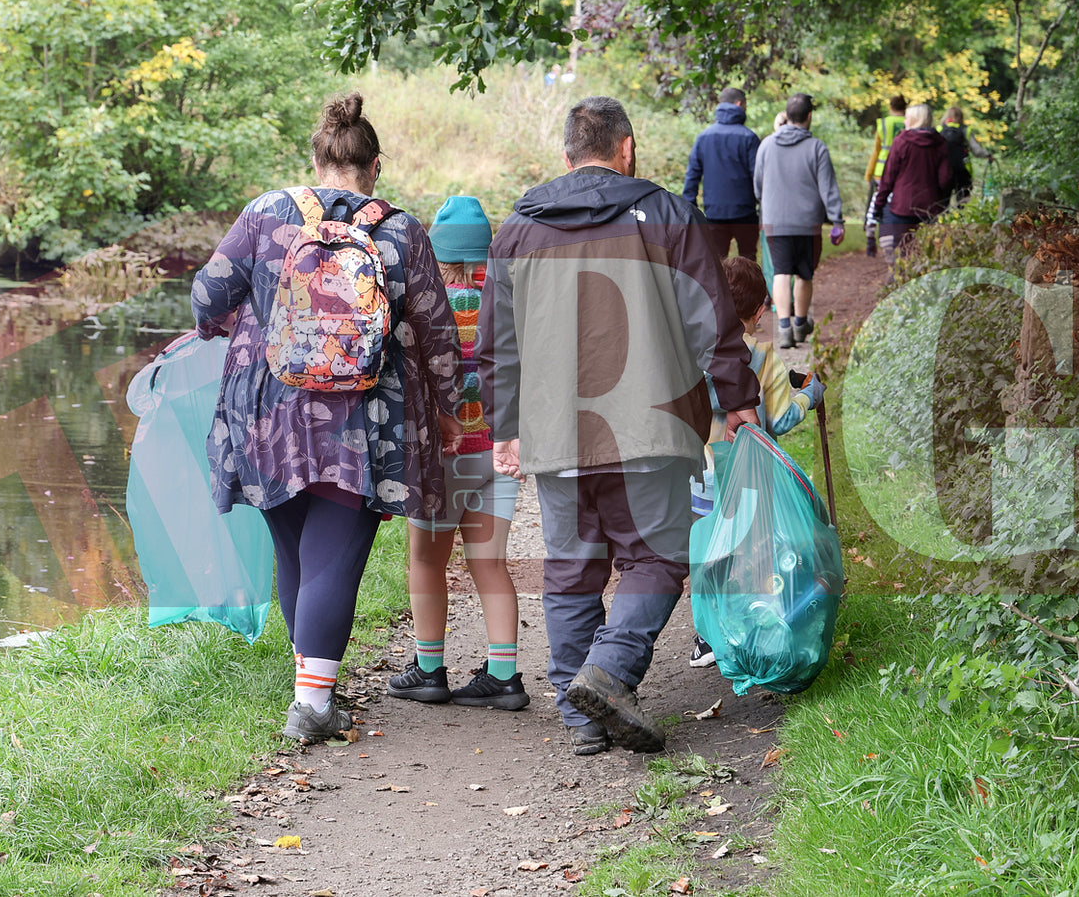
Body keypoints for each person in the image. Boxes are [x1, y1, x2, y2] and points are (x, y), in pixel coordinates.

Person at [478, 96, 760, 756]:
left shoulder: (518, 226)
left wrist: (506, 424)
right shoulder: (664, 214)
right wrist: (736, 396)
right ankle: (604, 677)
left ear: (567, 155)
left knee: (572, 569)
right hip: (648, 425)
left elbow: (497, 341)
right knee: (656, 557)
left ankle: (582, 715)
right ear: (625, 148)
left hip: (554, 429)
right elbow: (710, 319)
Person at [191, 92, 462, 743]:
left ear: (314, 158)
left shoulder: (266, 213)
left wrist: (227, 322)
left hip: (267, 411)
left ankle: (312, 688)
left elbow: (207, 292)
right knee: (334, 555)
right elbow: (436, 331)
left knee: (297, 552)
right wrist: (452, 410)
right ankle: (311, 705)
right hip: (361, 421)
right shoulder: (398, 229)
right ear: (373, 167)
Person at [387, 196, 529, 710]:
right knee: (490, 564)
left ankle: (428, 670)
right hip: (497, 455)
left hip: (441, 458)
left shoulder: (425, 305)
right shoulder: (507, 304)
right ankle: (504, 675)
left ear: (435, 251)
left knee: (426, 560)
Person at [688, 255, 824, 667]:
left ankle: (707, 637)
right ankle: (753, 623)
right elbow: (779, 419)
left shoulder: (691, 348)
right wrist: (809, 393)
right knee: (751, 550)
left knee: (709, 551)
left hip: (698, 475)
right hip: (746, 476)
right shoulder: (763, 357)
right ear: (761, 309)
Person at [753, 92, 845, 350]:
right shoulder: (817, 148)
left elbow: (758, 187)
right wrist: (837, 220)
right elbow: (828, 188)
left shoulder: (766, 146)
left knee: (781, 272)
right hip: (807, 223)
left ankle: (784, 329)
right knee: (804, 274)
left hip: (775, 221)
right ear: (809, 116)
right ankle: (800, 324)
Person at [682, 87, 761, 261]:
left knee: (716, 265)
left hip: (714, 213)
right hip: (745, 212)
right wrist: (762, 207)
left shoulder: (703, 137)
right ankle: (746, 290)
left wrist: (690, 209)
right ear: (740, 104)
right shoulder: (749, 137)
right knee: (748, 262)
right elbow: (758, 178)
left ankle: (721, 290)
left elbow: (692, 175)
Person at [872, 103, 952, 272]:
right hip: (930, 209)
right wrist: (941, 202)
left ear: (915, 119)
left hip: (902, 208)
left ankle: (902, 289)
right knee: (926, 254)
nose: (905, 121)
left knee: (903, 254)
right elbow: (945, 179)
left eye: (907, 117)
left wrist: (879, 205)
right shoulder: (940, 143)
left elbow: (888, 177)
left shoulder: (901, 141)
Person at [862, 95, 908, 258]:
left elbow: (876, 151)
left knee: (878, 200)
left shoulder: (883, 124)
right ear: (905, 107)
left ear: (890, 107)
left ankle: (871, 233)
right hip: (903, 171)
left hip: (882, 170)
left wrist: (869, 174)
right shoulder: (910, 123)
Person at [939, 106, 993, 208]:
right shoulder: (965, 130)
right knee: (963, 201)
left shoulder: (940, 129)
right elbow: (976, 150)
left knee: (942, 202)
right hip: (962, 171)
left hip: (944, 171)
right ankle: (962, 221)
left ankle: (941, 222)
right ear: (961, 117)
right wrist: (988, 155)